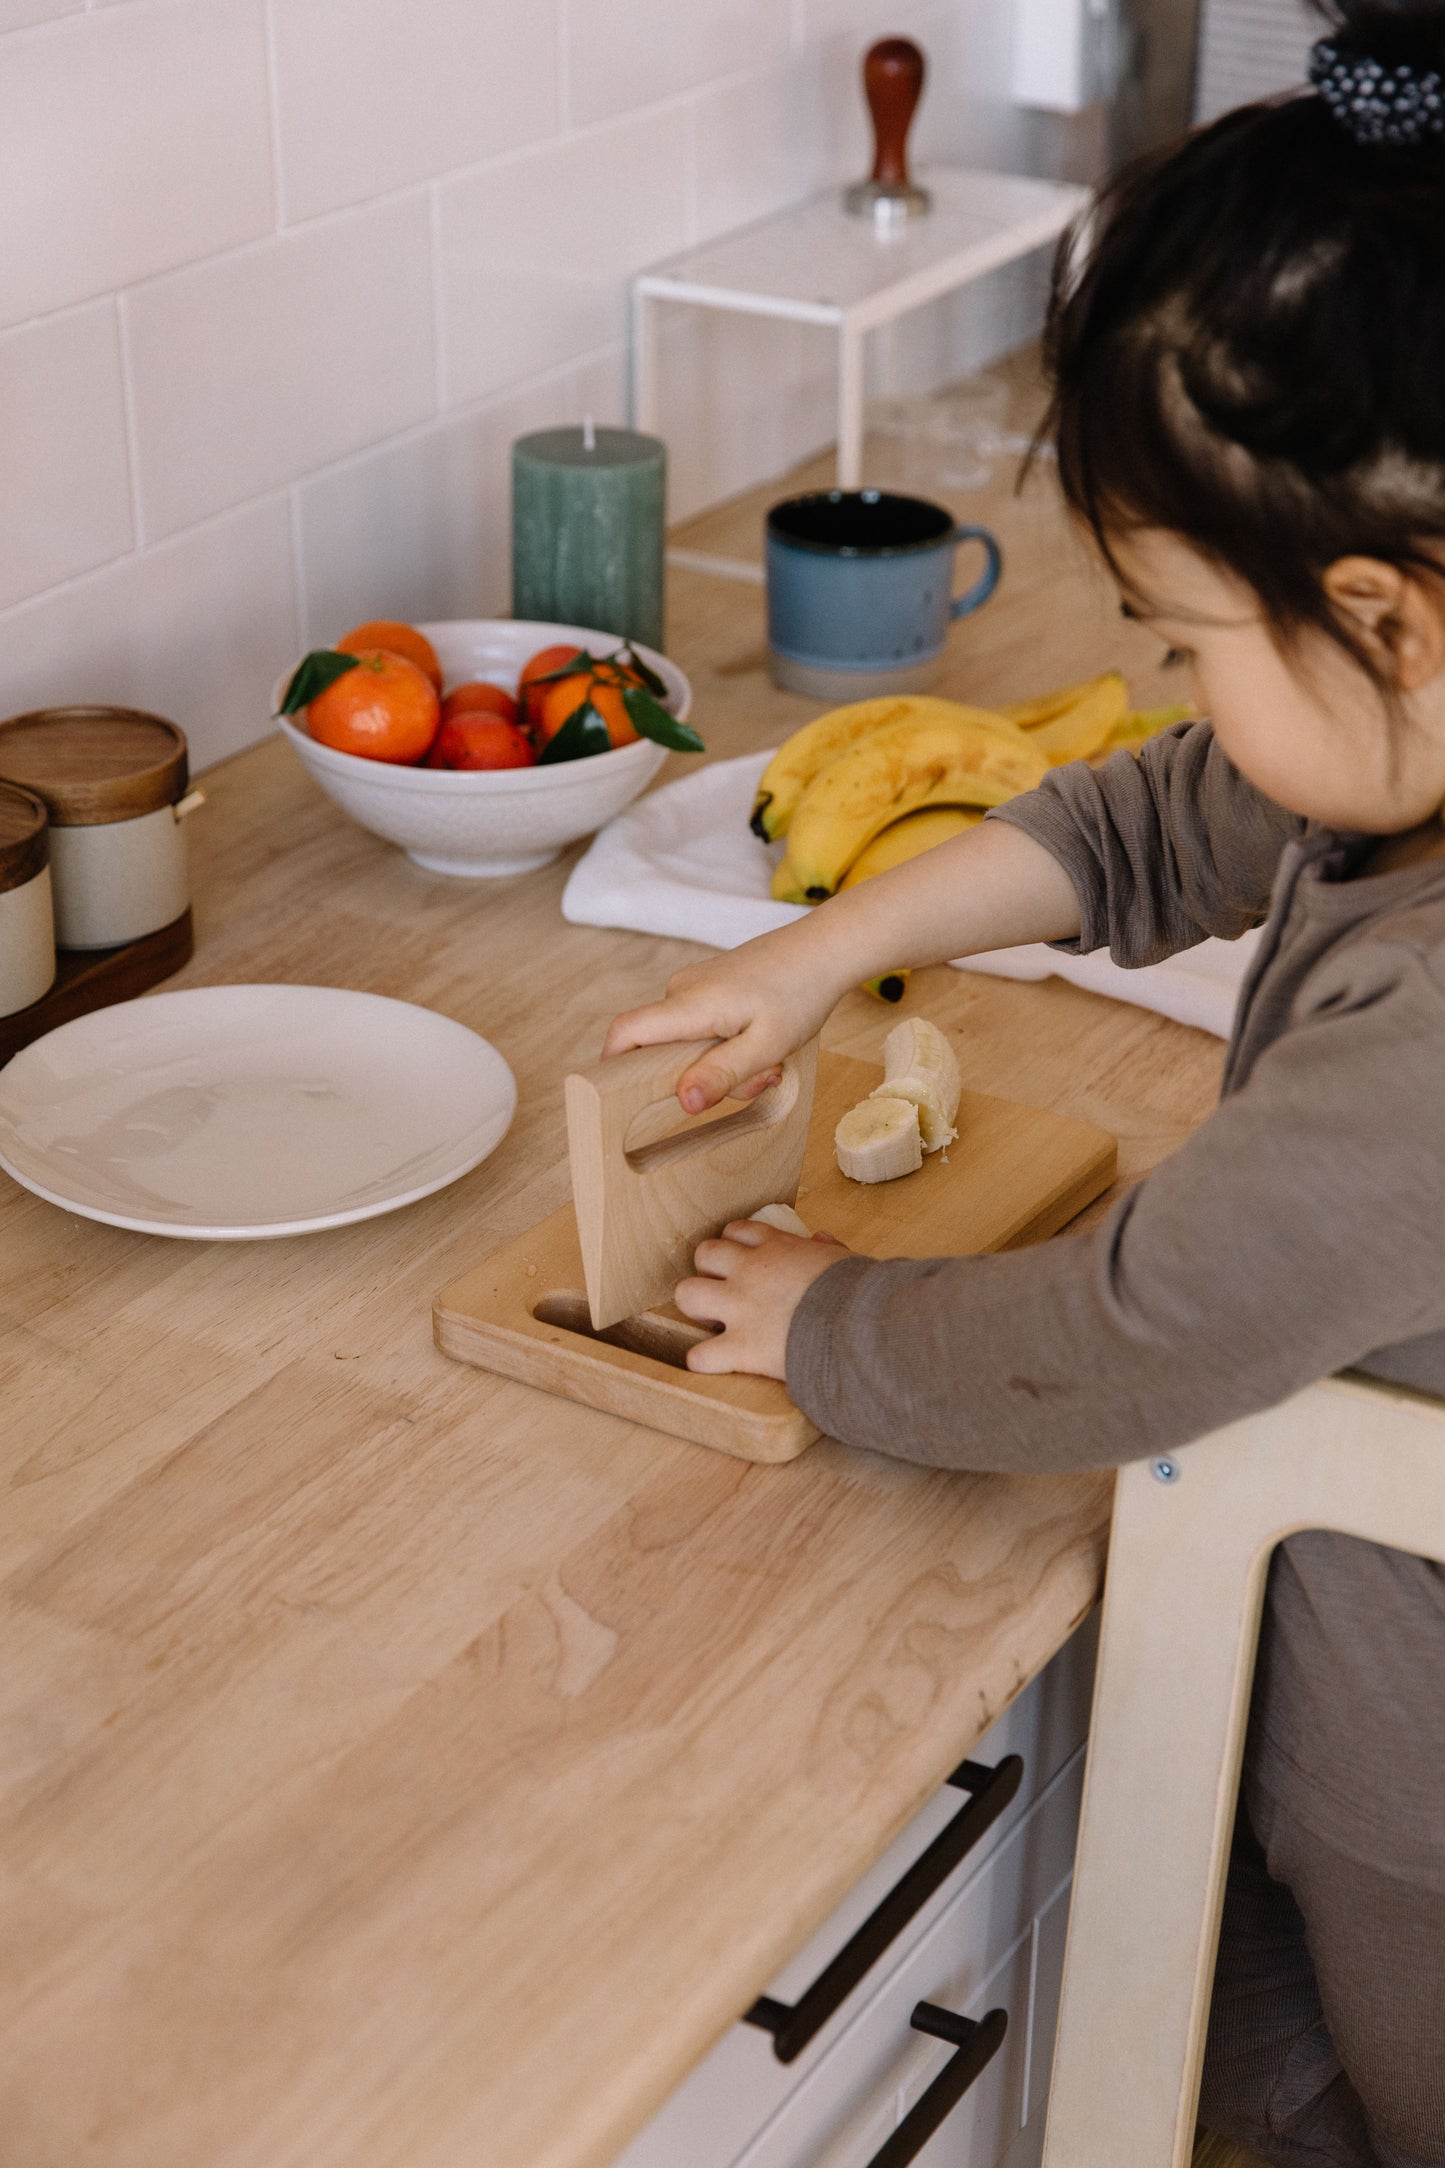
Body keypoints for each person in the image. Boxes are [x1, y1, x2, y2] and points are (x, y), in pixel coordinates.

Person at [602, 4, 1445, 2161]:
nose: (1181, 692)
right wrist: (825, 944)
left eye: (1188, 635)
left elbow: (1135, 1336)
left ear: (1390, 614)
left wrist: (832, 1324)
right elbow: (1154, 821)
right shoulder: (1398, 770)